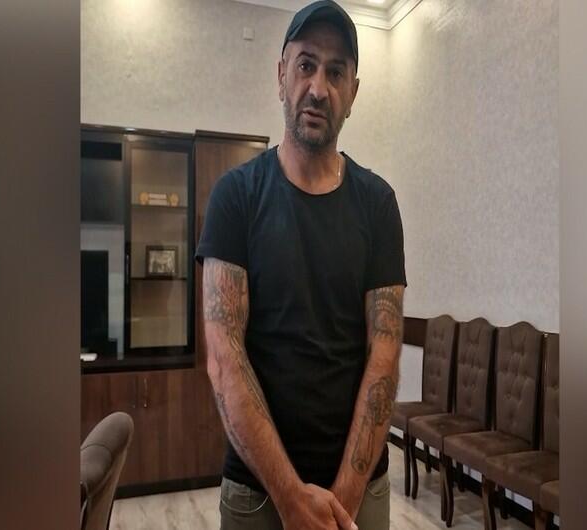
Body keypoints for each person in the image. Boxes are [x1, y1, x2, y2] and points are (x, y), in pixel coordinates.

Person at [195, 2, 406, 529]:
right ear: (281, 74)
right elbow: (224, 357)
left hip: (358, 491)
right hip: (258, 494)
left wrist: (344, 499)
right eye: (306, 64)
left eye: (336, 72)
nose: (318, 88)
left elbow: (383, 359)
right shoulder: (236, 197)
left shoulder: (378, 204)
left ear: (353, 92)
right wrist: (290, 497)